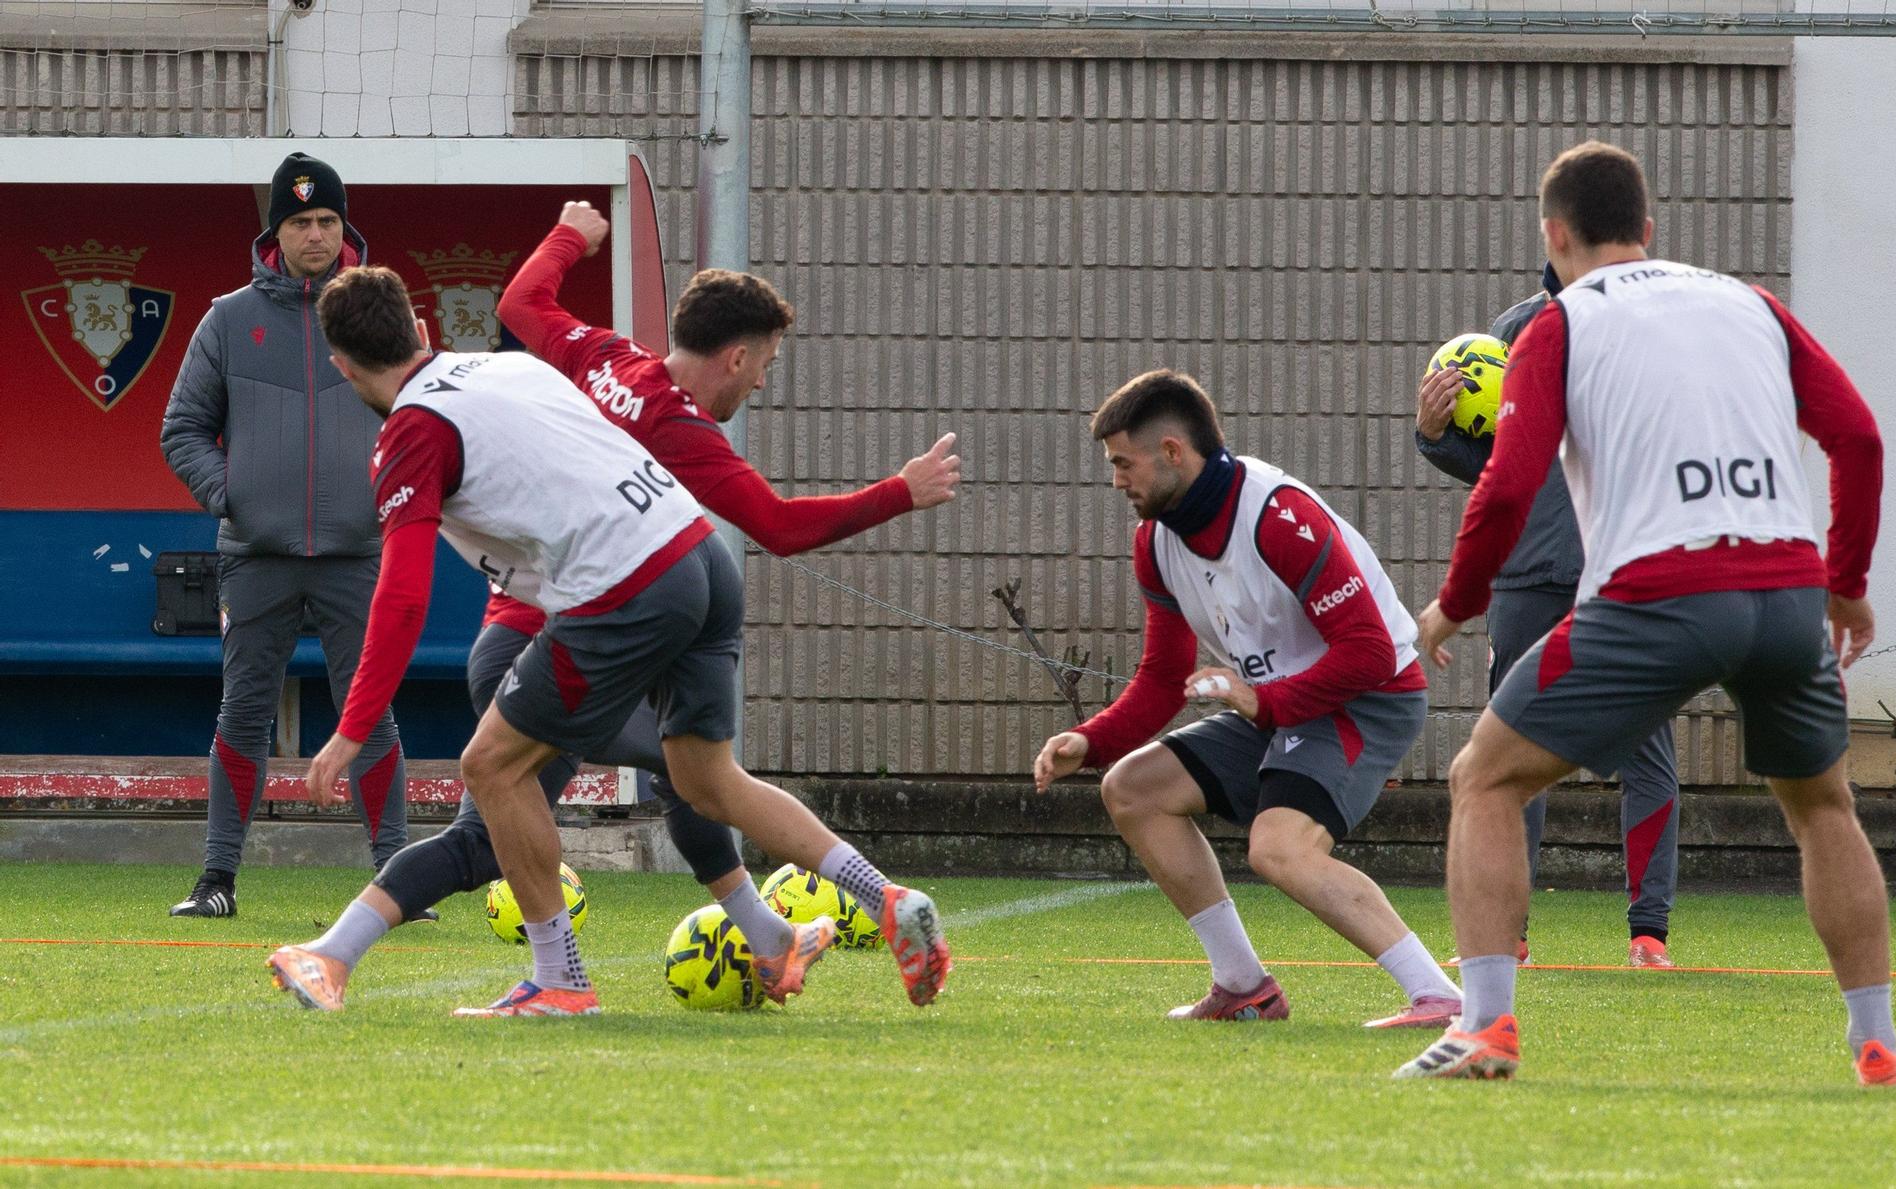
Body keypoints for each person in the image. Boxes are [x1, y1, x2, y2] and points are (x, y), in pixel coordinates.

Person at [265, 202, 960, 1010]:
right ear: (422, 323)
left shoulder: (427, 426)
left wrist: (353, 725)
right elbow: (762, 521)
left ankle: (557, 979)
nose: (762, 376)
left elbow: (403, 588)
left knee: (492, 772)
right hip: (698, 560)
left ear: (344, 369)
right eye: (762, 362)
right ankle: (876, 897)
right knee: (705, 778)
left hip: (610, 597)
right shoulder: (513, 366)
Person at [1395, 141, 1896, 1086]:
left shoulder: (1557, 324)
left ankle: (1486, 1029)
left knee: (1485, 778)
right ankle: (1878, 1046)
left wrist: (1449, 609)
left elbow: (1507, 490)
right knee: (1823, 807)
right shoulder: (1750, 303)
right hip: (1789, 593)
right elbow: (1859, 438)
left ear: (1553, 234)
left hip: (1661, 592)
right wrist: (1843, 581)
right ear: (1649, 227)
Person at [1033, 369, 1461, 1028]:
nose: (1117, 480)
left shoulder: (1277, 515)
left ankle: (1439, 996)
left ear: (1173, 451)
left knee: (1279, 848)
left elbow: (1371, 652)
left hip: (1369, 697)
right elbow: (1160, 676)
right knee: (1132, 788)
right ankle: (1242, 987)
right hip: (1279, 705)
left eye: (1124, 463)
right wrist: (1091, 740)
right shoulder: (1155, 539)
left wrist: (1262, 703)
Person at [159, 152, 407, 918]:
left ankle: (401, 880)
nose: (316, 235)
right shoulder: (229, 318)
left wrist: (392, 500)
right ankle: (216, 881)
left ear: (345, 226)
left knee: (371, 714)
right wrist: (231, 494)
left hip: (358, 554)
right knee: (242, 712)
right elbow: (182, 429)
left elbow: (420, 414)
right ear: (276, 230)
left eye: (328, 220)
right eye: (300, 221)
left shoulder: (380, 310)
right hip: (255, 558)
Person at [1415, 264, 1681, 968]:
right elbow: (1500, 463)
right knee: (1509, 760)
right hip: (1528, 574)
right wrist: (1435, 433)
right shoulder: (1512, 330)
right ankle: (1511, 935)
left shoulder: (1654, 328)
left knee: (1648, 756)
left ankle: (1649, 934)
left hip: (1624, 572)